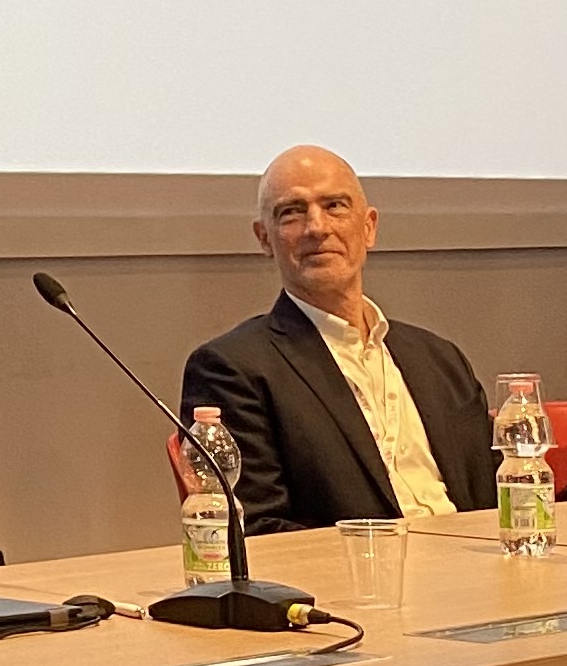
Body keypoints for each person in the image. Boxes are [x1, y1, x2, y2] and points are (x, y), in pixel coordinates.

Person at [179, 144, 495, 533]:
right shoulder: (231, 369)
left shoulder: (441, 360)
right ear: (264, 238)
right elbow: (256, 528)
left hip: (474, 561)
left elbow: (495, 495)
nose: (317, 227)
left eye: (335, 206)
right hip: (354, 570)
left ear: (369, 227)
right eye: (291, 212)